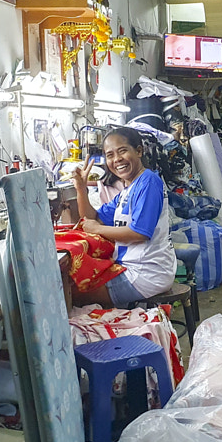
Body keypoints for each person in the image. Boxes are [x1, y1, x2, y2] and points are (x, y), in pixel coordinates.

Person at [70, 126, 176, 308]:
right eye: (109, 155)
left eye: (122, 151)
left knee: (72, 293)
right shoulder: (128, 190)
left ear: (139, 151)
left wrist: (97, 229)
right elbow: (93, 217)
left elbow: (140, 233)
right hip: (134, 267)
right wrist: (81, 188)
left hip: (147, 273)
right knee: (75, 281)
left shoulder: (149, 182)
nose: (116, 159)